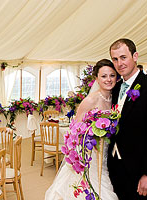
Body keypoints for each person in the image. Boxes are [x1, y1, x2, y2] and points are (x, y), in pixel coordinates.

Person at [45, 59, 119, 200]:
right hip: (90, 155)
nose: (108, 80)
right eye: (104, 76)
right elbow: (75, 129)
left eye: (112, 75)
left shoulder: (114, 98)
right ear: (96, 78)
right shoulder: (91, 100)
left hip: (107, 153)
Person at [107, 38, 147, 199]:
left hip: (141, 171)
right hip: (116, 168)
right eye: (115, 59)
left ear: (135, 56)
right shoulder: (115, 89)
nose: (119, 63)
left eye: (123, 57)